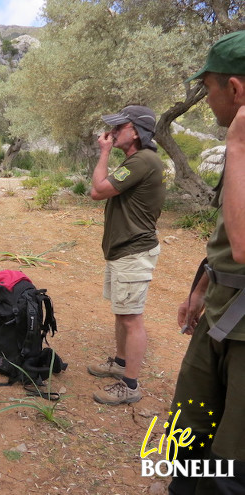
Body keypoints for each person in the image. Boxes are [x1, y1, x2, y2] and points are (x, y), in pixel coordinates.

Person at [167, 31, 245, 494]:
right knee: (187, 432)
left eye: (209, 88)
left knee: (231, 467)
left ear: (234, 89)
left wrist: (236, 147)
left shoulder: (239, 147)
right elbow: (223, 234)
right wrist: (200, 289)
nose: (205, 100)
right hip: (219, 312)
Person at [87, 105, 165, 405]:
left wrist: (104, 152)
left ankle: (129, 385)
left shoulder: (142, 161)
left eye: (120, 127)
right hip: (124, 250)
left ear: (136, 131)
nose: (113, 132)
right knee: (123, 312)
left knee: (132, 318)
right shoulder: (138, 161)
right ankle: (119, 363)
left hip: (133, 251)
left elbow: (97, 190)